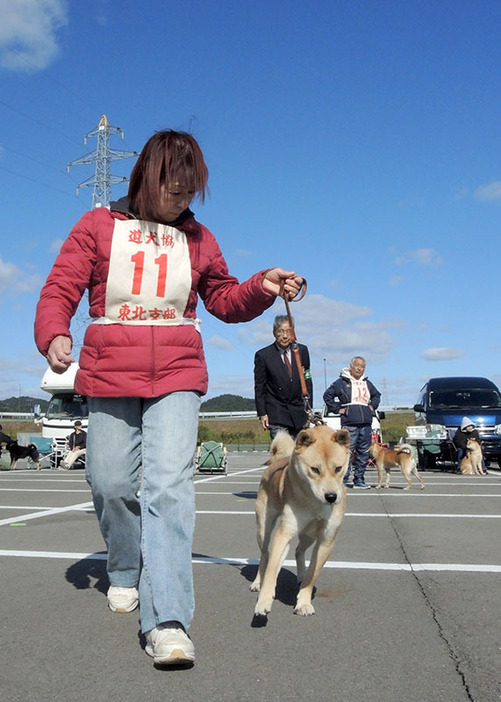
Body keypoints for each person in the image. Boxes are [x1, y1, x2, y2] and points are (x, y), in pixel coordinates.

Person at [34, 129, 304, 667]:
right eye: (174, 191)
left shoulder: (199, 238)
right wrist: (54, 332)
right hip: (110, 368)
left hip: (179, 370)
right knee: (108, 480)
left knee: (169, 488)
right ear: (145, 180)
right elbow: (60, 285)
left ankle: (169, 621)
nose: (182, 201)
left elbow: (223, 298)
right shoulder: (97, 226)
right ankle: (123, 566)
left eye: (189, 193)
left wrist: (262, 286)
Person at [323, 356, 381, 489]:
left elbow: (377, 395)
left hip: (366, 423)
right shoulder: (341, 382)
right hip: (349, 423)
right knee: (347, 452)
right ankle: (343, 479)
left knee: (363, 452)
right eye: (357, 365)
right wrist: (338, 409)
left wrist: (372, 406)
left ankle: (359, 479)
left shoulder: (367, 383)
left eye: (362, 366)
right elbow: (327, 396)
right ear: (351, 367)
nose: (360, 368)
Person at [254, 315, 313, 439]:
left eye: (288, 331)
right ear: (274, 333)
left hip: (299, 412)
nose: (285, 336)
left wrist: (309, 407)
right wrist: (262, 413)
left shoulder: (301, 351)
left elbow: (307, 380)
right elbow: (260, 387)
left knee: (299, 455)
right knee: (283, 455)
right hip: (277, 411)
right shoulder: (263, 355)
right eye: (281, 332)